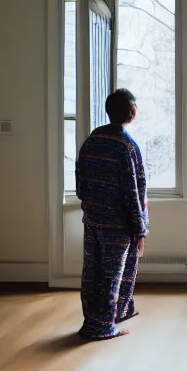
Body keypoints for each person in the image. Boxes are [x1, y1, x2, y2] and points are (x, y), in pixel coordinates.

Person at [75, 88, 149, 341]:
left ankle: (115, 313)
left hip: (93, 218)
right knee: (113, 273)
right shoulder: (127, 147)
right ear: (131, 112)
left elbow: (81, 183)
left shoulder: (92, 140)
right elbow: (133, 191)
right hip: (117, 224)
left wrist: (91, 207)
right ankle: (102, 327)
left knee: (93, 270)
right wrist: (140, 229)